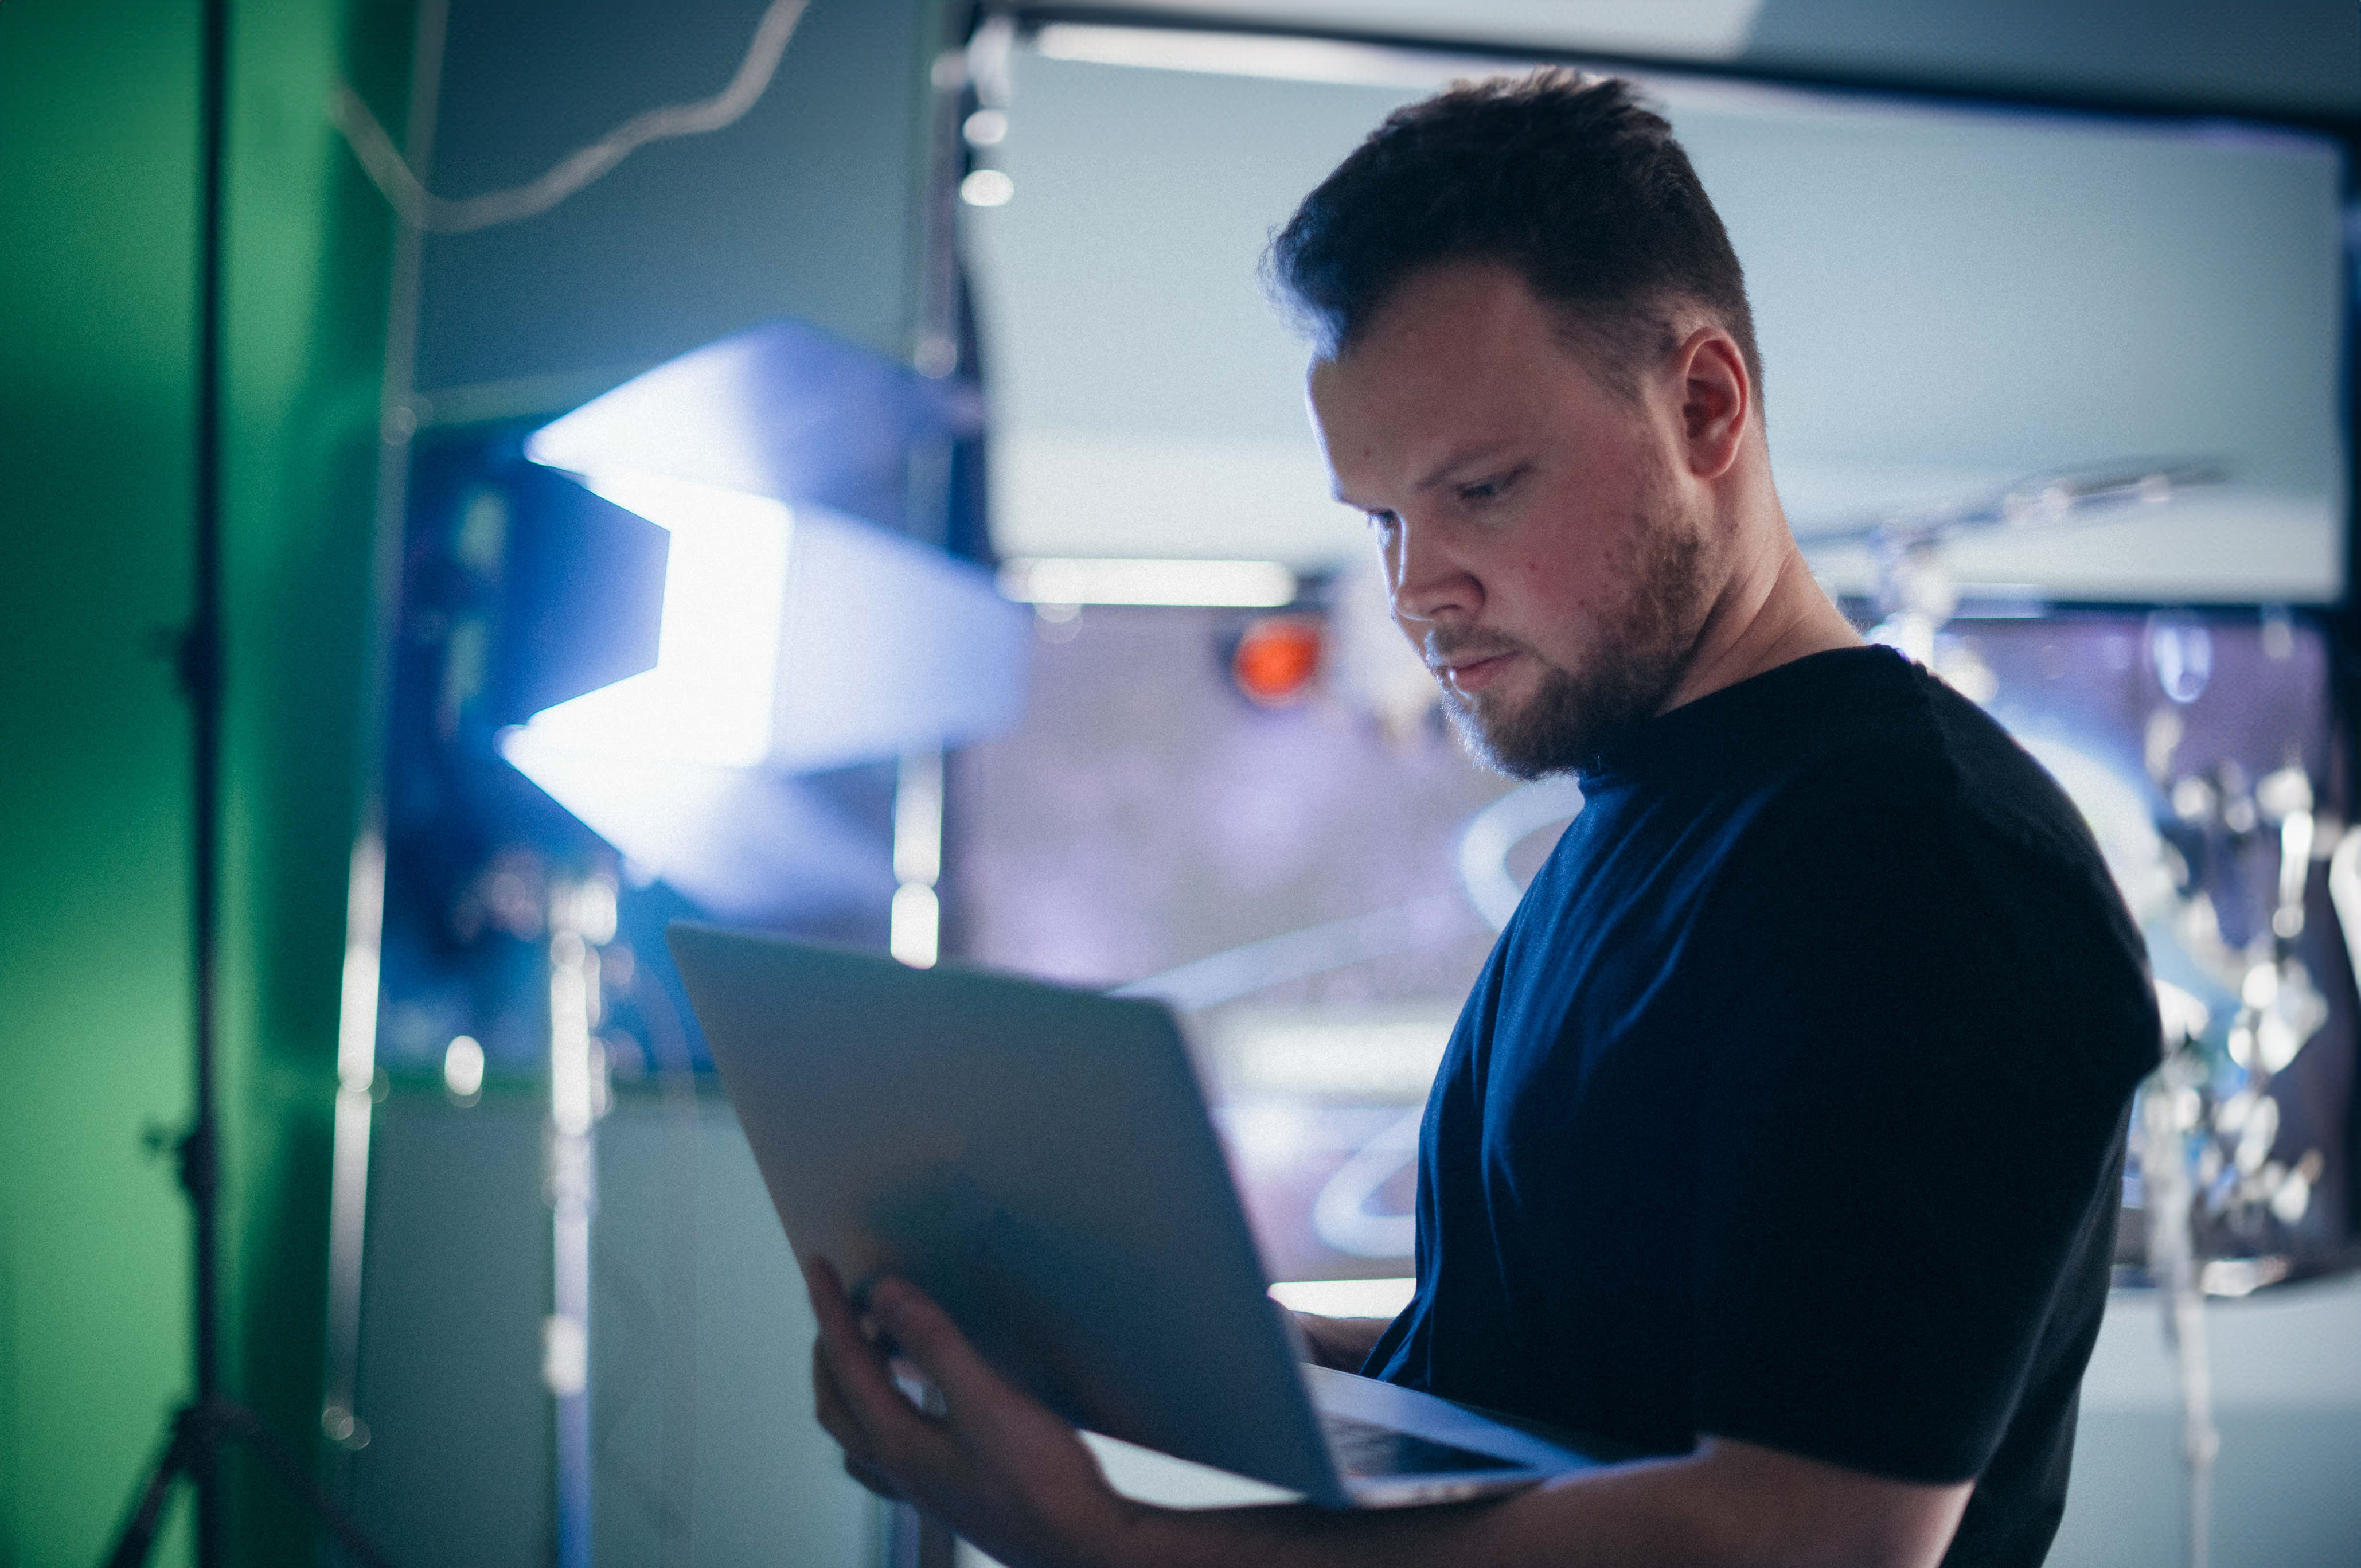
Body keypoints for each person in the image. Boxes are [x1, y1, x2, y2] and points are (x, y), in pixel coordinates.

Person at [805, 71, 2159, 1568]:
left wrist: (1111, 1545)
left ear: (1704, 407)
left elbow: (1809, 1538)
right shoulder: (1637, 823)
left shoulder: (1923, 859)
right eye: (1383, 517)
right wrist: (1119, 1348)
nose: (1414, 589)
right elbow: (1543, 1357)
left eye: (1484, 490)